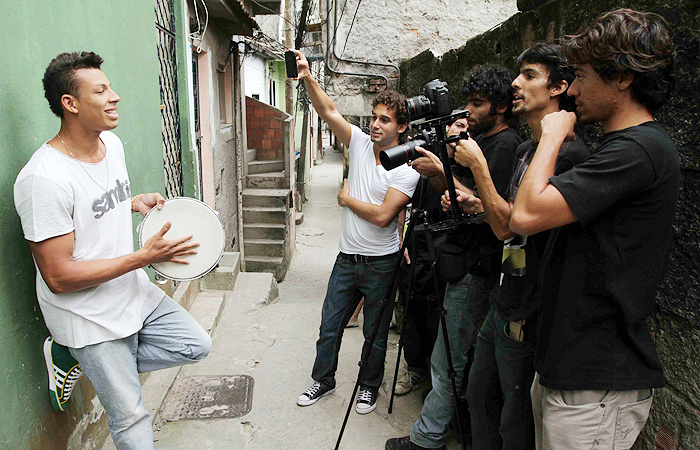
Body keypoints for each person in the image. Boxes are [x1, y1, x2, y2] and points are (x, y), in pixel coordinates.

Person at [13, 52, 212, 450]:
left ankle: (76, 360)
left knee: (195, 345)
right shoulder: (43, 180)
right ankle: (84, 353)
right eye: (101, 91)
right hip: (87, 314)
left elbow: (92, 206)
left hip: (130, 291)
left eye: (110, 87)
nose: (114, 96)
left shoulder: (112, 144)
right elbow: (59, 276)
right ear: (70, 104)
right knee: (131, 417)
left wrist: (132, 201)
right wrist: (145, 258)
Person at [510, 9, 678, 450]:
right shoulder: (622, 148)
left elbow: (524, 215)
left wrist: (551, 134)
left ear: (622, 76)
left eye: (582, 76)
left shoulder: (639, 150)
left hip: (596, 381)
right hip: (574, 370)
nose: (575, 90)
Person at [455, 43, 590, 450]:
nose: (515, 82)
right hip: (505, 302)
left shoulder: (571, 156)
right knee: (478, 397)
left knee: (514, 423)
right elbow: (509, 233)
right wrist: (507, 287)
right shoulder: (526, 149)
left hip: (530, 317)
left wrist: (479, 167)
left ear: (559, 87)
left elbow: (521, 224)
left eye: (529, 75)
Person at [387, 65, 522, 450]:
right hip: (457, 263)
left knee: (450, 360)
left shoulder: (505, 146)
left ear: (500, 107)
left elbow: (488, 212)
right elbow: (460, 201)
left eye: (477, 104)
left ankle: (427, 439)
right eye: (467, 101)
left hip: (479, 267)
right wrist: (441, 173)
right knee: (448, 356)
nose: (469, 111)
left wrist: (444, 174)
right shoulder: (475, 141)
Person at [292, 49, 420, 414]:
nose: (376, 125)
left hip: (382, 264)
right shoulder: (362, 144)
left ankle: (368, 387)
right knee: (329, 325)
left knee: (375, 334)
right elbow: (329, 111)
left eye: (385, 120)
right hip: (347, 259)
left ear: (402, 127)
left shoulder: (406, 169)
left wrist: (347, 200)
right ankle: (324, 380)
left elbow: (383, 217)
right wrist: (307, 76)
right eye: (374, 118)